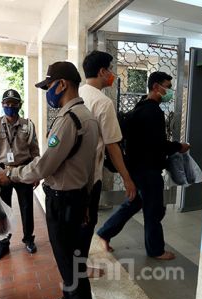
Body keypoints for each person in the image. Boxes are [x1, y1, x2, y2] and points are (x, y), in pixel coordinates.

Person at [0, 61, 98, 299]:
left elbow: (43, 167)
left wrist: (11, 174)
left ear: (62, 84)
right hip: (77, 198)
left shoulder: (68, 121)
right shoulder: (88, 118)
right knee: (72, 261)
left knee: (70, 265)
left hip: (63, 204)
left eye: (48, 86)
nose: (47, 93)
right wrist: (85, 200)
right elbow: (90, 166)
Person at [96, 71, 190, 260]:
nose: (169, 91)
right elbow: (158, 144)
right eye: (168, 87)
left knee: (133, 204)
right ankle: (156, 250)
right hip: (148, 171)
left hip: (136, 168)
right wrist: (180, 146)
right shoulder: (153, 111)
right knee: (153, 210)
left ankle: (104, 234)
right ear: (156, 87)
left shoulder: (139, 108)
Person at [79, 51, 137, 276]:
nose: (112, 75)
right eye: (110, 70)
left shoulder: (78, 94)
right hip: (90, 176)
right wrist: (126, 177)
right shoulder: (103, 102)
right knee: (87, 222)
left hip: (72, 176)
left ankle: (78, 264)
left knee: (77, 222)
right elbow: (113, 145)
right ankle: (81, 267)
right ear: (102, 71)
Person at [0, 89, 40, 261]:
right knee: (2, 209)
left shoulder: (28, 125)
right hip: (2, 174)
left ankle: (29, 239)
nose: (10, 107)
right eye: (7, 104)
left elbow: (35, 151)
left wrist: (36, 173)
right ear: (2, 105)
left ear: (19, 105)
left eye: (14, 104)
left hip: (23, 171)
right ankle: (3, 243)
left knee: (27, 207)